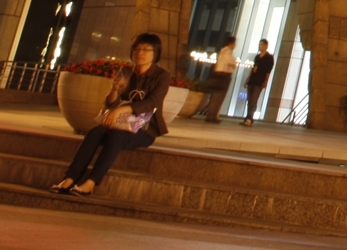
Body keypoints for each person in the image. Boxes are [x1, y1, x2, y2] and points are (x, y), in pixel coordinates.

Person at [50, 33, 172, 196]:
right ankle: (69, 179)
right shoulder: (127, 71)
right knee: (94, 132)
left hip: (143, 129)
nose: (140, 53)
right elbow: (110, 103)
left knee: (117, 137)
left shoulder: (162, 76)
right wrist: (115, 89)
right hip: (118, 123)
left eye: (146, 49)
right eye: (137, 49)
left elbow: (152, 103)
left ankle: (90, 183)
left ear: (156, 53)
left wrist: (121, 110)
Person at [193, 35, 237, 122]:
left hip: (218, 75)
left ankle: (211, 115)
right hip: (224, 76)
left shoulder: (222, 51)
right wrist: (234, 63)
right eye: (234, 43)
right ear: (231, 43)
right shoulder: (227, 51)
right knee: (219, 97)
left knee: (215, 97)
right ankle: (212, 116)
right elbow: (233, 62)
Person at [241, 39, 274, 126]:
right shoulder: (257, 57)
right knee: (249, 100)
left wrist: (265, 81)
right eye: (259, 45)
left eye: (262, 45)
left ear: (266, 46)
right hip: (252, 80)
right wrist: (247, 80)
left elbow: (268, 71)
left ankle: (250, 118)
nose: (260, 47)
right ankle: (248, 117)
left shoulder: (269, 57)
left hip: (259, 81)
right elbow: (253, 69)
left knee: (254, 100)